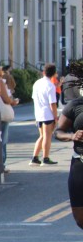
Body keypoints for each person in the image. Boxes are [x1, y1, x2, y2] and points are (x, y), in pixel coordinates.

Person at [55, 95, 83, 231]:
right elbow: (58, 132)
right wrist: (72, 136)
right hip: (80, 162)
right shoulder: (75, 105)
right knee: (79, 218)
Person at [31, 64, 60, 166]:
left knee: (42, 136)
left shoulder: (37, 83)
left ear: (44, 72)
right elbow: (53, 103)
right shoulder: (50, 86)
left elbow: (34, 98)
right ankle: (45, 158)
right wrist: (56, 117)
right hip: (47, 114)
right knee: (47, 137)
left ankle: (35, 158)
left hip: (38, 113)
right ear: (54, 73)